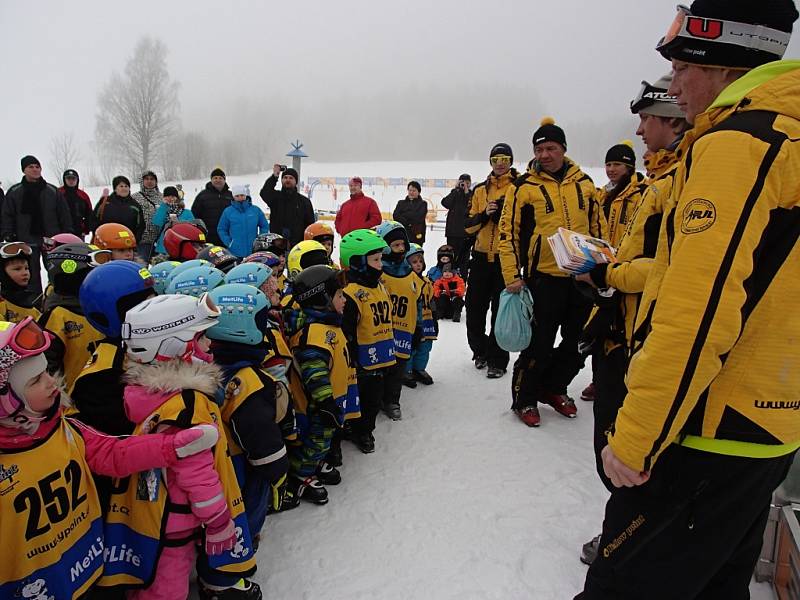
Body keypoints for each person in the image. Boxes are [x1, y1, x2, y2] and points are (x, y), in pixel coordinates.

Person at [577, 1, 800, 598]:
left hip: (703, 426)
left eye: (681, 68)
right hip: (767, 424)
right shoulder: (790, 132)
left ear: (725, 64)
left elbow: (698, 309)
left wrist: (638, 437)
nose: (673, 85)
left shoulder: (740, 144)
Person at [0, 316, 219, 600]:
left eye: (46, 372)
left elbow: (113, 453)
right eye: (35, 380)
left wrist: (171, 447)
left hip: (86, 567)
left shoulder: (64, 427)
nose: (51, 381)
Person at [116, 293, 258, 599]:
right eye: (201, 337)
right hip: (175, 524)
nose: (209, 344)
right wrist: (219, 521)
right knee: (166, 588)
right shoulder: (185, 406)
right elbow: (196, 474)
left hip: (162, 516)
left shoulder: (154, 393)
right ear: (173, 347)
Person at [499, 118, 605, 428]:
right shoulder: (523, 188)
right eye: (539, 149)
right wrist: (511, 276)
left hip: (582, 277)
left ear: (563, 149)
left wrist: (603, 269)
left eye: (551, 148)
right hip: (542, 278)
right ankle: (525, 397)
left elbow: (597, 228)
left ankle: (554, 387)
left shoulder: (585, 183)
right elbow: (508, 233)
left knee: (579, 342)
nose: (544, 154)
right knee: (539, 344)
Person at [206, 284, 289, 552]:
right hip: (243, 463)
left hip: (217, 459)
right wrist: (277, 471)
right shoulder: (251, 381)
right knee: (247, 505)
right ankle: (241, 550)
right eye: (261, 321)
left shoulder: (209, 366)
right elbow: (261, 436)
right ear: (243, 327)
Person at [579, 141, 647, 403]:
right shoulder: (601, 195)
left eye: (617, 164)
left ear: (629, 166)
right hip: (602, 268)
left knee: (626, 331)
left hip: (630, 270)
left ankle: (628, 384)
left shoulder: (642, 194)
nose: (611, 170)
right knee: (600, 329)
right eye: (608, 164)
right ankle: (600, 380)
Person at [284, 265, 355, 505]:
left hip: (330, 402)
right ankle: (300, 473)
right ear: (321, 300)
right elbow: (315, 373)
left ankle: (313, 462)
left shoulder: (328, 325)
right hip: (317, 405)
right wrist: (326, 403)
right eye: (339, 295)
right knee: (317, 438)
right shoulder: (313, 335)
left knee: (325, 437)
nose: (344, 299)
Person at [464, 143, 518, 379]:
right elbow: (468, 227)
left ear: (511, 161)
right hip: (480, 257)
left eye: (504, 158)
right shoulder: (479, 191)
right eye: (495, 158)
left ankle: (498, 359)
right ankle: (480, 351)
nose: (500, 162)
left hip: (504, 259)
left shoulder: (519, 188)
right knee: (474, 308)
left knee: (500, 312)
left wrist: (504, 213)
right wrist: (485, 214)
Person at [339, 229, 395, 453]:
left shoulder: (379, 285)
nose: (381, 265)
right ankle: (358, 430)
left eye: (381, 259)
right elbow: (347, 330)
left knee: (373, 400)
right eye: (375, 260)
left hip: (381, 355)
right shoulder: (350, 293)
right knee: (360, 399)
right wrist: (352, 356)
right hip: (361, 361)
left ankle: (365, 429)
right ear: (358, 263)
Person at [39, 242, 110, 391]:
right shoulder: (57, 316)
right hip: (71, 399)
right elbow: (49, 364)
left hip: (100, 391)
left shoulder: (98, 308)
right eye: (91, 275)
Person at [2, 155, 73, 296]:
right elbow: (7, 215)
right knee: (30, 276)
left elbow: (64, 214)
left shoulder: (52, 191)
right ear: (24, 170)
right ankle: (34, 304)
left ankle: (56, 299)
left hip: (51, 240)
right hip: (26, 240)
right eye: (31, 167)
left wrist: (67, 233)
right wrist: (8, 235)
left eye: (37, 166)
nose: (35, 169)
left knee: (57, 273)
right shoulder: (15, 192)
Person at [375, 221, 420, 421]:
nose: (401, 249)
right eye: (395, 246)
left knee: (398, 369)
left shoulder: (410, 273)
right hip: (382, 332)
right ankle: (376, 400)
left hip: (404, 331)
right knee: (380, 369)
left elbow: (416, 303)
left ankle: (392, 400)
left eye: (403, 245)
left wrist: (418, 327)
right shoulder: (378, 273)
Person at [402, 243, 437, 387]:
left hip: (427, 321)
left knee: (425, 347)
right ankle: (407, 371)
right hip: (412, 323)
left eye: (420, 261)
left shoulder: (427, 281)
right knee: (411, 348)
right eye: (414, 262)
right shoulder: (406, 282)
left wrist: (435, 318)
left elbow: (431, 300)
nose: (418, 265)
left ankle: (419, 368)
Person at [259, 164, 314, 246]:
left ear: (296, 182)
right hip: (277, 244)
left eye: (291, 178)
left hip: (298, 245)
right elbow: (264, 193)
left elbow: (310, 224)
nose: (287, 180)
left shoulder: (304, 201)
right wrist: (274, 176)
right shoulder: (275, 198)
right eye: (285, 178)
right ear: (281, 180)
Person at [218, 185, 269, 258]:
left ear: (246, 195)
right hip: (235, 252)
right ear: (233, 197)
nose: (240, 198)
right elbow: (221, 229)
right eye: (237, 196)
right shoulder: (228, 211)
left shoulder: (255, 210)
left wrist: (260, 239)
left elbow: (264, 225)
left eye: (242, 195)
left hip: (253, 251)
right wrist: (229, 242)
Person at [93, 175, 146, 246]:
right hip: (106, 242)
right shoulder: (105, 202)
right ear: (115, 189)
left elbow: (141, 226)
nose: (124, 188)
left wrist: (135, 241)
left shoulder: (135, 205)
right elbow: (94, 220)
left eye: (126, 186)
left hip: (126, 243)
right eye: (121, 186)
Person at [0, 241, 41, 323]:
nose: (25, 273)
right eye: (17, 269)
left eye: (26, 268)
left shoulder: (33, 309)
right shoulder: (2, 305)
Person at [440, 174, 473, 275]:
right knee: (451, 257)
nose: (464, 185)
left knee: (464, 258)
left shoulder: (472, 195)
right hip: (453, 232)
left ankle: (462, 278)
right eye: (462, 182)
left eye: (467, 183)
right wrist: (456, 190)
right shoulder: (454, 193)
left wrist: (467, 192)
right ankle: (449, 276)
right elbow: (445, 203)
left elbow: (471, 206)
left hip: (465, 233)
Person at [193, 167, 234, 246]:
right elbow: (195, 215)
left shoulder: (231, 195)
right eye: (215, 178)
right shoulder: (202, 195)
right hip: (209, 236)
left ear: (224, 180)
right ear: (211, 180)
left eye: (220, 178)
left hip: (227, 236)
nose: (218, 180)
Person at [152, 185, 195, 255]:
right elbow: (157, 222)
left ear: (177, 198)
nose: (170, 198)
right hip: (163, 248)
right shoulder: (162, 210)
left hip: (181, 247)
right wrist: (164, 206)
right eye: (167, 196)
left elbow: (192, 228)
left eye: (172, 196)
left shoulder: (187, 212)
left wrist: (178, 223)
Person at [131, 170, 164, 262]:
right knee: (141, 266)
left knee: (160, 268)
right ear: (142, 181)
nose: (149, 181)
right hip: (143, 240)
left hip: (160, 240)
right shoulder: (135, 197)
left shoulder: (163, 197)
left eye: (152, 179)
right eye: (146, 179)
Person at [57, 168, 93, 238]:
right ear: (64, 180)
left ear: (77, 180)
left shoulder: (83, 195)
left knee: (79, 248)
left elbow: (89, 213)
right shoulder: (58, 193)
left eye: (73, 179)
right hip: (61, 231)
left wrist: (86, 229)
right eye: (68, 178)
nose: (71, 181)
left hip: (78, 231)